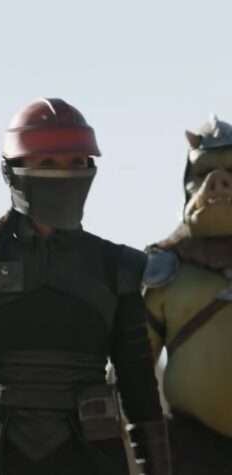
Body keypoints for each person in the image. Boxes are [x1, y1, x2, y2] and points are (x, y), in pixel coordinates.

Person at [0, 98, 171, 475]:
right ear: (13, 171)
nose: (64, 175)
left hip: (90, 457)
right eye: (48, 163)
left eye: (76, 163)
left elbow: (142, 397)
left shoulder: (117, 267)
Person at [143, 116, 232, 474]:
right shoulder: (163, 269)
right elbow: (132, 371)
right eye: (205, 172)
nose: (219, 182)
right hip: (189, 450)